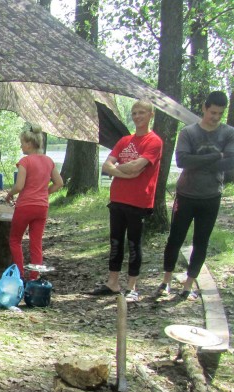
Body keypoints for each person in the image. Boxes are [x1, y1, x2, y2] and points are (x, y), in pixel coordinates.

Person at [156, 91, 234, 301]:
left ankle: (189, 284)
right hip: (186, 194)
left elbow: (229, 162)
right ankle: (166, 281)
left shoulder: (228, 133)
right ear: (204, 108)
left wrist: (200, 159)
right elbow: (182, 161)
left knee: (202, 241)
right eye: (212, 112)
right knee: (175, 238)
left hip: (211, 196)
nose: (215, 117)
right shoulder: (188, 132)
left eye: (219, 113)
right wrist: (216, 155)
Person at [89, 100, 163, 302]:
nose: (138, 116)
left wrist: (120, 168)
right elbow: (107, 166)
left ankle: (132, 286)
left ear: (151, 115)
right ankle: (112, 282)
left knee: (134, 243)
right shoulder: (124, 141)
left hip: (139, 201)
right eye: (134, 112)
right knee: (115, 242)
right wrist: (127, 171)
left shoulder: (154, 141)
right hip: (118, 198)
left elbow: (137, 165)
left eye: (142, 113)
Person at [5, 126, 63, 279]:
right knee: (36, 242)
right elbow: (59, 183)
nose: (21, 146)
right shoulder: (49, 161)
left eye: (22, 143)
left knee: (15, 240)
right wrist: (45, 192)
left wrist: (10, 194)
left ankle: (18, 274)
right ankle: (34, 277)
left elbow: (19, 186)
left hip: (25, 205)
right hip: (42, 206)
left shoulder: (25, 161)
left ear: (29, 144)